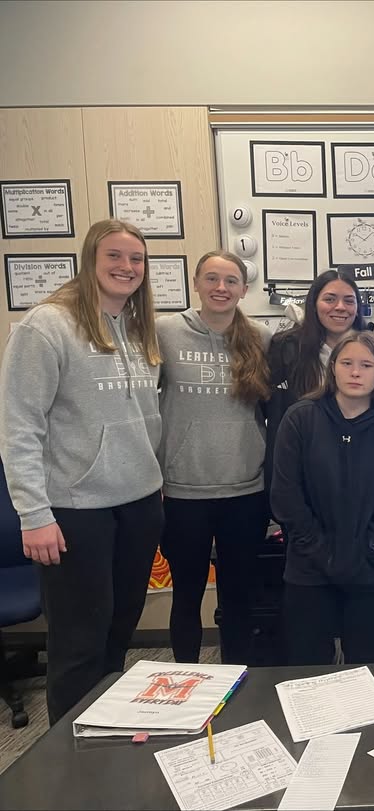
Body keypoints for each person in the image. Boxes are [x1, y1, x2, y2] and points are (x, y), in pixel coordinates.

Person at [0, 219, 164, 724]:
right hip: (75, 511)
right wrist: (33, 514)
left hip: (138, 503)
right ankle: (67, 762)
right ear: (90, 259)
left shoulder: (138, 328)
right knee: (78, 644)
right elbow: (18, 426)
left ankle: (105, 732)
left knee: (118, 632)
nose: (126, 267)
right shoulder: (47, 325)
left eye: (136, 259)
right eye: (114, 256)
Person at [156, 250, 272, 665]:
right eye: (212, 279)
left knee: (239, 595)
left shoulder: (261, 338)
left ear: (243, 289)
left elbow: (270, 410)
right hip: (184, 490)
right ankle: (187, 678)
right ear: (196, 283)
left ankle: (237, 677)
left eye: (230, 281)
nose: (221, 288)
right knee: (186, 595)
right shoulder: (164, 332)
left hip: (245, 490)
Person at [271, 332, 374, 665]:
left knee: (367, 662)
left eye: (366, 365)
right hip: (310, 566)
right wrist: (322, 552)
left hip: (371, 565)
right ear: (332, 367)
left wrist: (371, 547)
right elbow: (286, 496)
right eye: (347, 363)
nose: (355, 372)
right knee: (308, 663)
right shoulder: (301, 418)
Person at [265, 269, 368, 494]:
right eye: (330, 299)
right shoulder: (286, 347)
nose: (340, 307)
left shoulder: (370, 350)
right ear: (313, 303)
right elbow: (272, 411)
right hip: (300, 471)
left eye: (349, 301)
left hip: (357, 470)